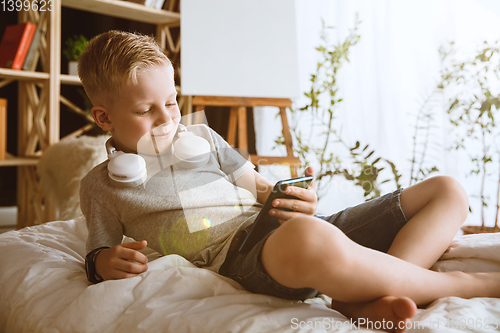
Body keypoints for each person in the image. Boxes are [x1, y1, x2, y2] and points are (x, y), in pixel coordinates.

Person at [78, 30, 500, 332]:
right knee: (308, 238)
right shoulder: (104, 186)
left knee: (447, 191)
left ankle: (359, 297)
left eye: (171, 101)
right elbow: (97, 250)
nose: (168, 118)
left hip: (285, 229)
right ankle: (466, 285)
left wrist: (301, 199)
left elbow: (262, 190)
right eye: (146, 110)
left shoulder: (203, 137)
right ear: (105, 118)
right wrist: (102, 262)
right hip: (240, 257)